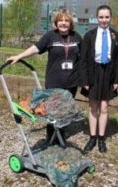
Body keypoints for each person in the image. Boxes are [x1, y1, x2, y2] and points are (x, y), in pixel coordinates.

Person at [7, 8, 82, 145]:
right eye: (61, 20)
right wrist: (19, 56)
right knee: (52, 110)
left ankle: (61, 136)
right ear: (56, 22)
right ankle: (51, 137)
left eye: (66, 20)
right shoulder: (50, 36)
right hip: (54, 81)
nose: (63, 23)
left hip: (71, 81)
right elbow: (36, 48)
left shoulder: (77, 37)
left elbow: (83, 58)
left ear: (70, 23)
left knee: (65, 110)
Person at [80, 5, 118, 153]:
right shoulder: (89, 36)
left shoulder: (116, 35)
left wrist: (117, 80)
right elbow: (83, 59)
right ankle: (92, 137)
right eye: (101, 17)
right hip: (93, 73)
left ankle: (101, 138)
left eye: (106, 17)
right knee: (93, 106)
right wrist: (84, 80)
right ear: (96, 18)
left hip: (108, 74)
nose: (104, 20)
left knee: (104, 107)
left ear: (110, 18)